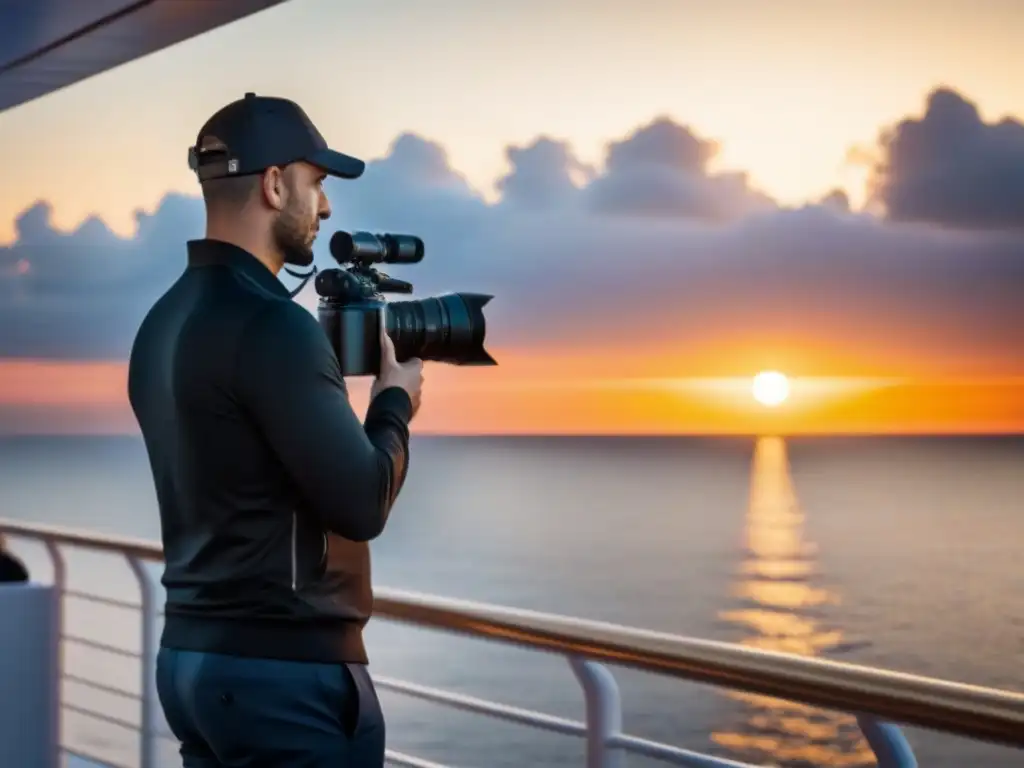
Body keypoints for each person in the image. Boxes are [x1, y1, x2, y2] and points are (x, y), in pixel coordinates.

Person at [127, 92, 424, 767]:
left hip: (192, 662)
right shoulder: (273, 325)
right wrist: (394, 402)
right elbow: (361, 502)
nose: (324, 207)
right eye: (316, 183)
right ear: (273, 182)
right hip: (285, 678)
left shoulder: (161, 323)